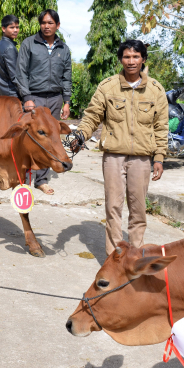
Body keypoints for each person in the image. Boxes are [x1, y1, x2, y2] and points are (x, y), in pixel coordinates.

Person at [74, 40, 168, 256]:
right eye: (127, 57)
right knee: (113, 208)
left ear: (143, 59)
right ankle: (115, 258)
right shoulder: (107, 87)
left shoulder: (155, 90)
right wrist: (80, 135)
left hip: (142, 159)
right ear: (121, 59)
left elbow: (161, 126)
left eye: (136, 57)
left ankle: (134, 257)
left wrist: (160, 157)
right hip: (113, 157)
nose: (131, 61)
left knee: (138, 210)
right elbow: (92, 116)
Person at [18, 9, 72, 195]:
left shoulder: (63, 49)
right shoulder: (29, 44)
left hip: (55, 98)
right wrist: (27, 98)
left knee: (51, 138)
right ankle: (23, 179)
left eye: (50, 23)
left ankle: (41, 180)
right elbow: (21, 72)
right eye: (43, 23)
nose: (46, 26)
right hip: (35, 97)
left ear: (57, 25)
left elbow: (67, 76)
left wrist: (66, 101)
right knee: (29, 138)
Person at [0, 15, 26, 99]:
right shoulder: (9, 48)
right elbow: (15, 77)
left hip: (2, 94)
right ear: (3, 29)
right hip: (12, 96)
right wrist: (27, 95)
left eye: (17, 27)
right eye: (12, 27)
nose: (15, 30)